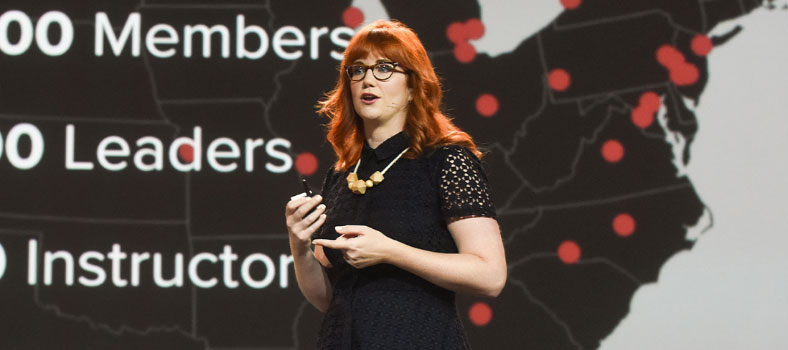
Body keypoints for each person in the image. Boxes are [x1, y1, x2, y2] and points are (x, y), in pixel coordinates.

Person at [284, 20, 506, 349]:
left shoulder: (447, 161)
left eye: (384, 68)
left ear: (414, 86)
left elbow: (490, 276)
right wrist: (299, 246)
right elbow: (327, 299)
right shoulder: (343, 174)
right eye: (357, 70)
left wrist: (391, 252)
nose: (367, 80)